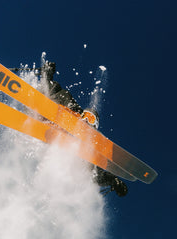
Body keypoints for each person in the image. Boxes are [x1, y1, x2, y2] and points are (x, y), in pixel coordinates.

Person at [41, 62, 128, 197]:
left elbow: (96, 175)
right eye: (87, 116)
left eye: (92, 120)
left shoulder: (90, 147)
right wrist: (47, 76)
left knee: (90, 155)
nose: (87, 120)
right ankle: (42, 113)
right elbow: (58, 92)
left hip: (62, 157)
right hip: (51, 119)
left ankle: (47, 122)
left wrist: (113, 181)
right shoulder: (74, 111)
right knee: (64, 97)